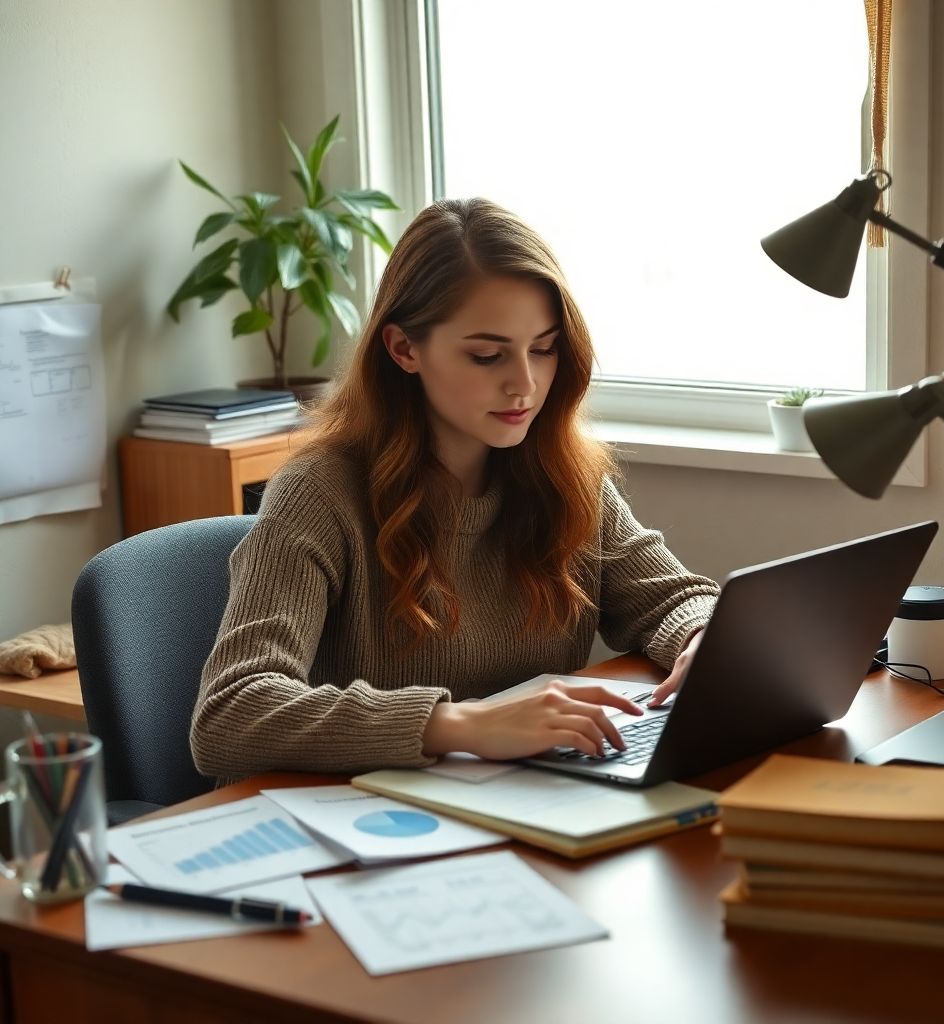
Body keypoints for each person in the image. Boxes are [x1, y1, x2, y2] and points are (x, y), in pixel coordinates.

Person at [190, 198, 720, 781]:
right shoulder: (319, 492)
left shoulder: (564, 475)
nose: (525, 383)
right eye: (487, 355)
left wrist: (705, 639)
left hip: (518, 793)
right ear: (404, 349)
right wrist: (463, 724)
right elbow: (228, 714)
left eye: (543, 348)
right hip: (365, 811)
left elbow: (674, 599)